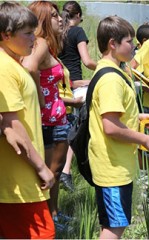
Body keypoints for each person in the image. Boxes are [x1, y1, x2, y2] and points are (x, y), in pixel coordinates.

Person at [90, 16, 149, 239]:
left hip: (116, 164)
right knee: (114, 227)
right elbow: (110, 126)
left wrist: (138, 116)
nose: (135, 45)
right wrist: (144, 139)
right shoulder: (111, 79)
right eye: (130, 41)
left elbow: (114, 113)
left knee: (112, 223)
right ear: (113, 43)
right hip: (113, 168)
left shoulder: (113, 71)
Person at [0, 2, 55, 238]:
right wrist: (42, 167)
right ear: (6, 35)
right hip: (18, 179)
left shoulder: (15, 64)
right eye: (28, 33)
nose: (34, 38)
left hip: (24, 175)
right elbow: (11, 125)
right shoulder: (4, 68)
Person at [22, 1, 74, 223]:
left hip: (55, 116)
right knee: (50, 172)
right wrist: (41, 98)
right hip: (48, 119)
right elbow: (29, 67)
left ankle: (54, 213)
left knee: (54, 171)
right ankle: (49, 218)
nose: (60, 19)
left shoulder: (47, 45)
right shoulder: (41, 42)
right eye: (54, 15)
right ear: (42, 20)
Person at [58, 0, 97, 192]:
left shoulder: (58, 31)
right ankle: (68, 169)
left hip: (60, 84)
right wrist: (108, 67)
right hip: (75, 84)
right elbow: (87, 61)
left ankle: (62, 168)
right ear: (79, 16)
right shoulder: (77, 32)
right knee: (80, 124)